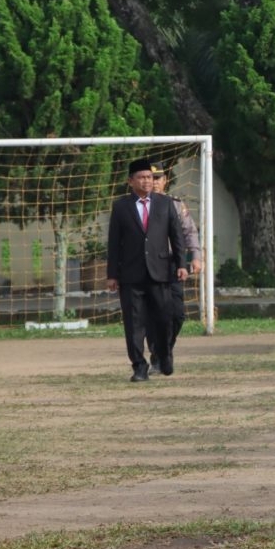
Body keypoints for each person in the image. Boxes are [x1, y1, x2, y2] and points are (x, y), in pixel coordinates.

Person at [106, 158, 187, 382]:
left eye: (150, 177)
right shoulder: (121, 207)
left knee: (164, 318)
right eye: (141, 177)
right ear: (130, 181)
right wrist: (112, 274)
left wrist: (181, 264)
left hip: (161, 272)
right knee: (134, 324)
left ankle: (164, 354)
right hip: (131, 274)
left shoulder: (165, 203)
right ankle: (139, 367)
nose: (147, 181)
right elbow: (114, 242)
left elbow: (176, 236)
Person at [149, 163, 202, 367]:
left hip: (172, 265)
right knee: (153, 313)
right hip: (149, 265)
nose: (154, 183)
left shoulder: (176, 205)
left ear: (165, 181)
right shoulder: (139, 206)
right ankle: (158, 353)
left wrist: (196, 257)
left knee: (177, 314)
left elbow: (190, 232)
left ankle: (163, 351)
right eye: (150, 178)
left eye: (158, 178)